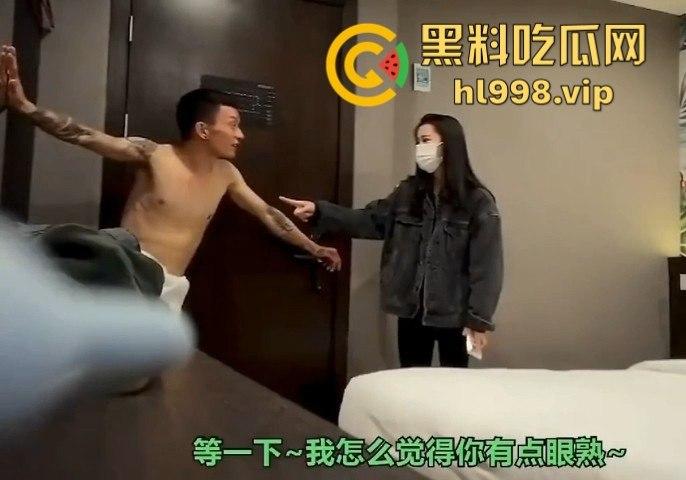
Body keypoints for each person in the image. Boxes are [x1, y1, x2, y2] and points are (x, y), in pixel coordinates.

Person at [0, 45, 341, 311]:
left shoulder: (227, 174)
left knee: (155, 373)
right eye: (234, 125)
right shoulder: (154, 155)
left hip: (171, 287)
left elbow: (269, 214)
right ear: (203, 130)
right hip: (127, 279)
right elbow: (84, 135)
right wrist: (24, 106)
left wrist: (313, 247)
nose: (241, 135)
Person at [281, 114, 503, 367]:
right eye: (418, 142)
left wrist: (478, 320)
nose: (420, 148)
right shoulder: (408, 193)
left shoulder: (477, 202)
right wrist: (320, 211)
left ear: (448, 144)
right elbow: (370, 220)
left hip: (455, 315)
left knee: (453, 383)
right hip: (410, 311)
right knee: (409, 381)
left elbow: (488, 267)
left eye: (426, 140)